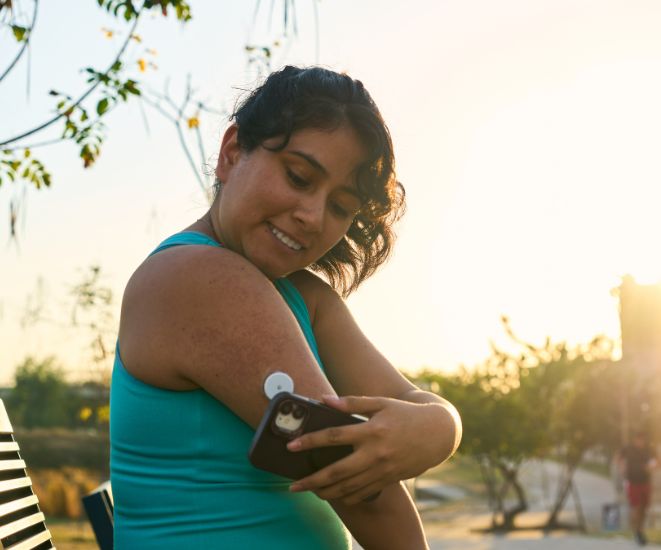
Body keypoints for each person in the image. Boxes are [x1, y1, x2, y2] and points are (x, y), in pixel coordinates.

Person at [110, 65, 462, 549]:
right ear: (232, 153)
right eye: (299, 177)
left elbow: (410, 402)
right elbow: (360, 487)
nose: (313, 217)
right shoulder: (197, 279)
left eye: (341, 207)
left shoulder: (305, 297)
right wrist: (427, 432)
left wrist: (442, 425)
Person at [618, 430, 657, 546]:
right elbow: (618, 457)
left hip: (646, 482)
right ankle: (637, 532)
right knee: (636, 507)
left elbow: (657, 461)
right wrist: (622, 467)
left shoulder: (648, 449)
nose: (640, 442)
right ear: (635, 439)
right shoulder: (628, 448)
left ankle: (640, 530)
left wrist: (652, 466)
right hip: (633, 482)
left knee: (644, 508)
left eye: (642, 439)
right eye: (638, 439)